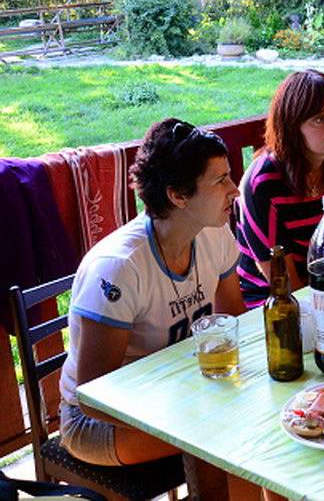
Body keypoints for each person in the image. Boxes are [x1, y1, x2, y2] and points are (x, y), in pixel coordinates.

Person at [59, 118, 246, 468]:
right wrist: (193, 412)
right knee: (224, 433)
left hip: (181, 392)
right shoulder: (119, 269)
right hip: (95, 421)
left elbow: (235, 321)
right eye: (220, 180)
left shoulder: (214, 233)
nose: (234, 189)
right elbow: (92, 397)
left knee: (253, 417)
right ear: (177, 195)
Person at [235, 69, 324, 309]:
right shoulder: (262, 184)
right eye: (319, 119)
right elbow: (283, 282)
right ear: (292, 127)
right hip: (273, 304)